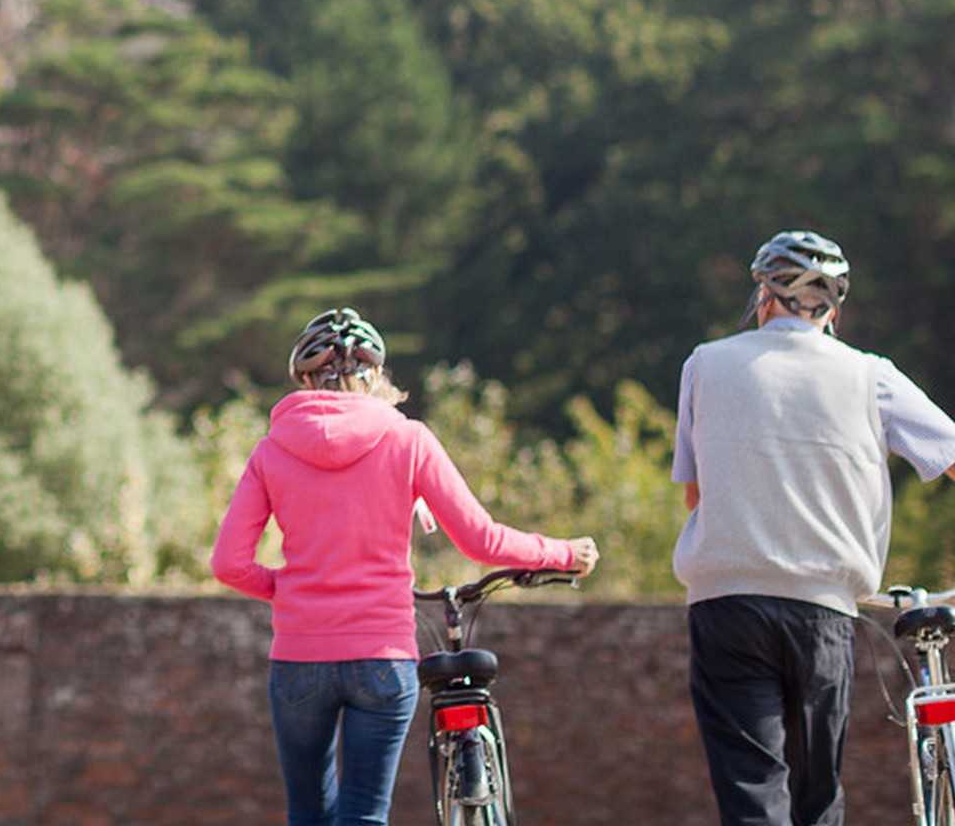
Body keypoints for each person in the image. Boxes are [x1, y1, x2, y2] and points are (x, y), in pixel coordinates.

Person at [213, 308, 598, 826]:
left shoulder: (271, 451)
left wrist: (291, 589)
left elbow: (230, 564)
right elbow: (481, 540)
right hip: (383, 656)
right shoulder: (408, 439)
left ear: (304, 380)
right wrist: (563, 553)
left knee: (308, 815)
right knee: (365, 815)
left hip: (299, 658)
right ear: (375, 377)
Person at [673, 229, 955, 826]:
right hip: (823, 608)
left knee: (753, 790)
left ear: (764, 296)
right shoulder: (869, 375)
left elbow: (698, 496)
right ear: (834, 307)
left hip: (727, 603)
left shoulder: (705, 364)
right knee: (816, 797)